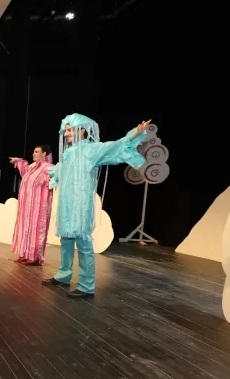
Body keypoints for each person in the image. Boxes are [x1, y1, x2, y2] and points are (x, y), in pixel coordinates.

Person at [43, 114, 152, 298]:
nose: (66, 134)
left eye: (70, 130)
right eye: (66, 130)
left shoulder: (92, 150)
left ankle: (86, 285)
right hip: (67, 202)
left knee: (83, 241)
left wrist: (134, 134)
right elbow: (60, 171)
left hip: (80, 203)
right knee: (66, 239)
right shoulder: (69, 153)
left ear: (82, 131)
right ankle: (64, 274)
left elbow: (115, 146)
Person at [8, 144, 55, 265]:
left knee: (36, 230)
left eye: (37, 152)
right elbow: (24, 171)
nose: (33, 154)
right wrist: (18, 161)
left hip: (39, 207)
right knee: (25, 229)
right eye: (33, 152)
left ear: (44, 154)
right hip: (27, 207)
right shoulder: (33, 167)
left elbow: (57, 175)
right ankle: (24, 254)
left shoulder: (47, 167)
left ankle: (34, 257)